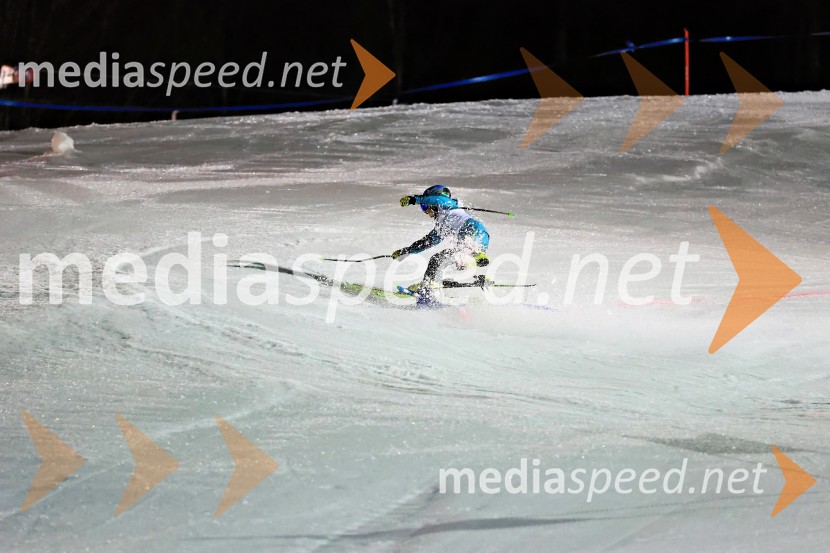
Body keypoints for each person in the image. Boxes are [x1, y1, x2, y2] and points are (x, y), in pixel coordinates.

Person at [392, 185, 489, 303]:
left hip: (473, 233)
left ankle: (428, 289)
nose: (425, 211)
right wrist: (407, 251)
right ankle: (474, 265)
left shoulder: (448, 206)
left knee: (438, 260)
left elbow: (438, 199)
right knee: (446, 260)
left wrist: (415, 200)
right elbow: (427, 242)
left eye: (425, 206)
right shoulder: (442, 223)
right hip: (475, 239)